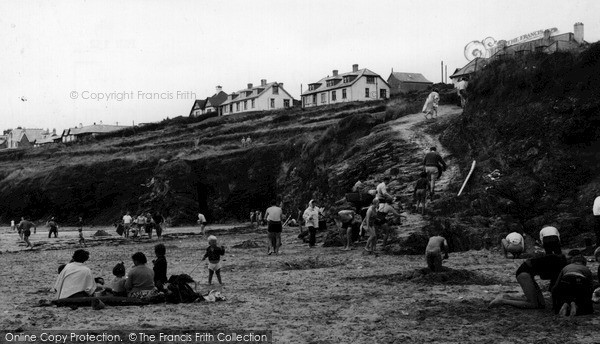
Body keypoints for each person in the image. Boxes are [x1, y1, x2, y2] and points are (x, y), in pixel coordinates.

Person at [489, 254, 568, 309]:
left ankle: (505, 299)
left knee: (541, 305)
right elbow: (545, 279)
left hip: (528, 272)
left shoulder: (557, 259)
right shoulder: (558, 265)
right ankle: (502, 301)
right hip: (524, 274)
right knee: (532, 304)